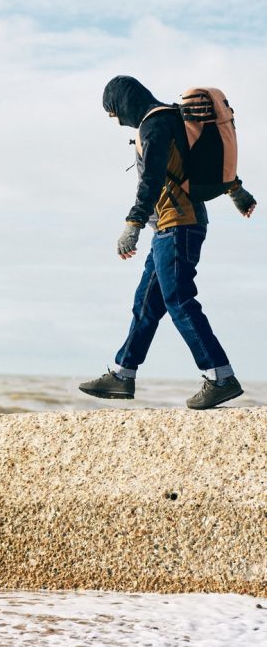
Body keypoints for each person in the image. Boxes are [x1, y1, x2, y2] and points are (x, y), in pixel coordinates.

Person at [79, 76, 257, 409]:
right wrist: (236, 191)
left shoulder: (155, 125)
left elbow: (154, 177)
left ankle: (220, 377)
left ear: (123, 102)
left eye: (111, 110)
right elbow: (194, 163)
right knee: (146, 303)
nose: (113, 118)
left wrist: (132, 224)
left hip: (179, 226)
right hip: (169, 227)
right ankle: (122, 373)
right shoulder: (172, 118)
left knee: (179, 300)